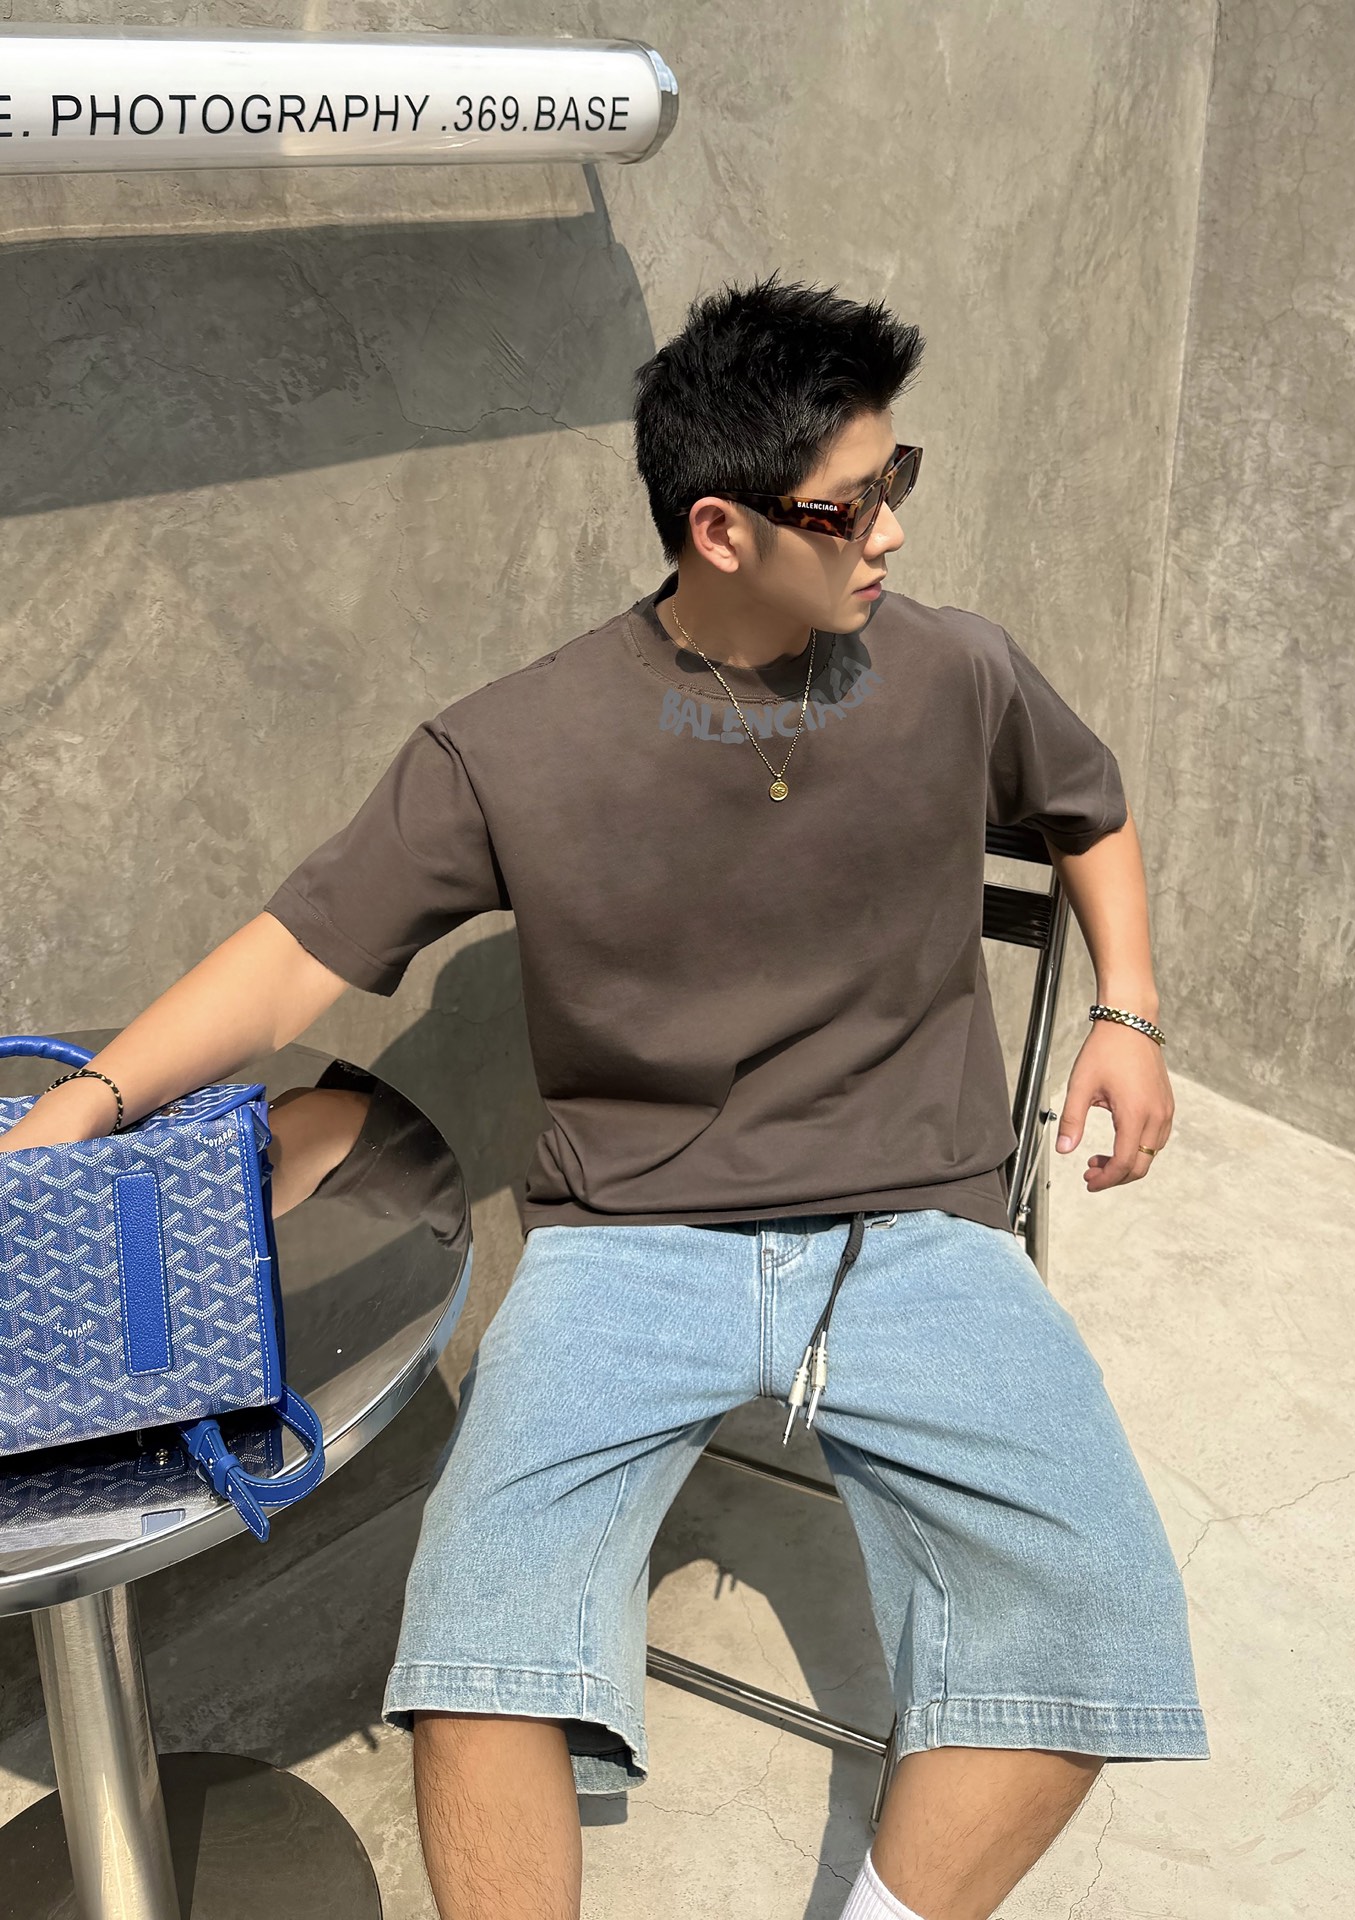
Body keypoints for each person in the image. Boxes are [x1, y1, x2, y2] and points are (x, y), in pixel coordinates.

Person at [2, 273, 1207, 1919]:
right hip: (629, 1247)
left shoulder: (957, 670)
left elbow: (1088, 807)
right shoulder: (513, 746)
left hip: (914, 1227)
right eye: (852, 505)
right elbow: (293, 961)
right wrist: (90, 1100)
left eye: (898, 480)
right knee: (474, 1657)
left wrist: (1128, 1010)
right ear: (722, 529)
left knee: (1096, 1616)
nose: (893, 533)